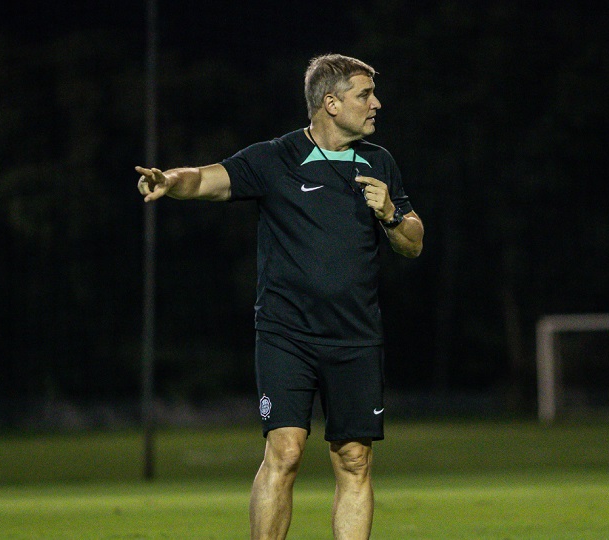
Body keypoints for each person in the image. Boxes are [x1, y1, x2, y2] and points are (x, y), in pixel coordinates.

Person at [136, 53, 423, 540]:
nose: (377, 103)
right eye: (364, 95)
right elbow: (206, 178)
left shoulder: (380, 163)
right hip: (285, 334)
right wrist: (171, 181)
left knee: (354, 459)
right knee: (285, 452)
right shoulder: (274, 159)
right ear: (330, 103)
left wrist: (392, 213)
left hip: (355, 335)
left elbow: (413, 242)